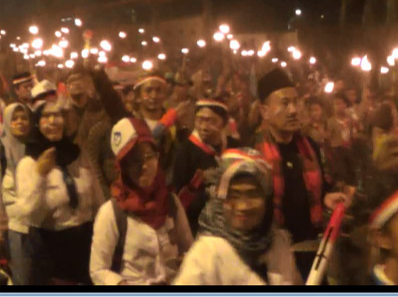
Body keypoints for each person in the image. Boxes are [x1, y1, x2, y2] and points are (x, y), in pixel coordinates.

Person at [254, 68, 349, 280]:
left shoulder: (309, 147)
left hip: (310, 256)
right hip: (272, 260)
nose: (293, 110)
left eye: (296, 102)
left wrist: (326, 198)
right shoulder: (253, 153)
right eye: (284, 103)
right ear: (264, 110)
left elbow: (317, 190)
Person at [174, 148, 302, 285]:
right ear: (220, 199)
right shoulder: (207, 254)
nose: (243, 206)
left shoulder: (278, 244)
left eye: (253, 194)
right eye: (234, 195)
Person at [90, 117, 193, 285]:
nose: (144, 166)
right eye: (134, 161)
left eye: (149, 156)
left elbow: (189, 249)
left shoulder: (171, 202)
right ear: (123, 168)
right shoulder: (112, 212)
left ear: (158, 157)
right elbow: (98, 270)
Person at [16, 100, 96, 284]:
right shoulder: (29, 163)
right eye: (45, 116)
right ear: (37, 123)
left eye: (57, 115)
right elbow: (27, 212)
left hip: (84, 245)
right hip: (50, 251)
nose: (52, 121)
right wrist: (40, 175)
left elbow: (96, 199)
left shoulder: (78, 155)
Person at [172, 99, 241, 235]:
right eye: (199, 120)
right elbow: (178, 198)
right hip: (196, 227)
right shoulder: (185, 151)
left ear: (224, 123)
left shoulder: (234, 147)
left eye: (211, 121)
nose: (204, 126)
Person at [0, 103, 31, 285]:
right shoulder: (2, 149)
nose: (20, 122)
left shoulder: (35, 147)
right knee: (21, 277)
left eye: (24, 117)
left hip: (38, 225)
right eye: (15, 118)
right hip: (13, 226)